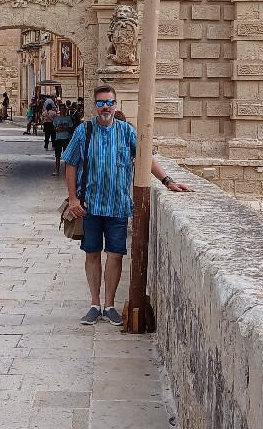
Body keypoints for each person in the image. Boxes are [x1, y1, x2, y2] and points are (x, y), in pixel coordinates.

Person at [64, 85, 193, 326]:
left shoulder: (126, 132)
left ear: (116, 104)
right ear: (95, 105)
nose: (105, 107)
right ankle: (94, 304)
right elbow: (70, 163)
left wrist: (168, 181)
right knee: (92, 254)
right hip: (89, 206)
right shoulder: (85, 131)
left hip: (118, 206)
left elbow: (146, 159)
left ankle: (110, 305)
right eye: (101, 103)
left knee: (115, 256)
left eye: (109, 102)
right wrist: (73, 198)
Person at [51, 104, 74, 177]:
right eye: (61, 108)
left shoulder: (68, 119)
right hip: (58, 139)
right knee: (57, 155)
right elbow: (54, 129)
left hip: (66, 138)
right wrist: (60, 129)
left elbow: (70, 128)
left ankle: (67, 170)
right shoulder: (56, 118)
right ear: (59, 109)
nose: (62, 110)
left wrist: (63, 129)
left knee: (66, 155)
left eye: (63, 108)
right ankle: (57, 169)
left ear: (65, 109)